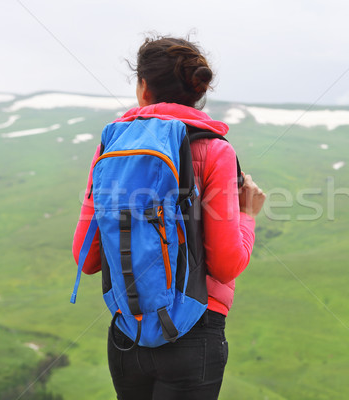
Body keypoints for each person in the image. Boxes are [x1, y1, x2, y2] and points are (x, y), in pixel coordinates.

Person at [72, 35, 265, 400]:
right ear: (198, 92)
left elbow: (87, 257)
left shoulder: (112, 147)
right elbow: (226, 265)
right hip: (194, 334)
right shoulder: (215, 150)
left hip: (127, 333)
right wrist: (246, 214)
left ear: (143, 88)